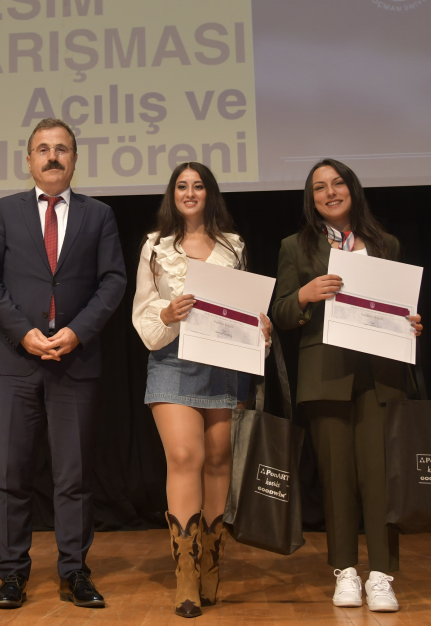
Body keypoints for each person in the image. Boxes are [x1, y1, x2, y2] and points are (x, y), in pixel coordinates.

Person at [0, 118, 127, 610]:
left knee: (74, 476)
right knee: (11, 474)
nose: (52, 157)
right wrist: (24, 332)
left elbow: (113, 281)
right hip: (17, 361)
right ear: (29, 159)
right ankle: (13, 574)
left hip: (75, 361)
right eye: (43, 149)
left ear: (75, 159)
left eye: (62, 149)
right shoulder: (4, 211)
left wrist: (76, 332)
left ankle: (74, 571)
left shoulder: (98, 215)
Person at [270, 159, 423, 614]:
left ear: (352, 190)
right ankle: (345, 572)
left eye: (337, 184)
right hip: (325, 376)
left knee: (380, 479)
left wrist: (411, 323)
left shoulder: (385, 244)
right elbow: (279, 313)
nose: (329, 192)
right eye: (319, 187)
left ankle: (380, 574)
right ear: (310, 197)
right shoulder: (296, 248)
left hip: (380, 375)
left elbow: (399, 307)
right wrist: (304, 295)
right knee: (338, 480)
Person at [132, 163, 272, 618]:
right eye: (181, 186)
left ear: (210, 194)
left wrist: (261, 324)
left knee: (217, 461)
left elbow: (248, 307)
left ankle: (212, 562)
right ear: (172, 195)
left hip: (225, 365)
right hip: (173, 362)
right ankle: (186, 573)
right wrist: (168, 315)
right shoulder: (155, 246)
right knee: (185, 458)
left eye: (198, 186)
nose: (190, 193)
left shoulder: (235, 246)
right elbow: (143, 313)